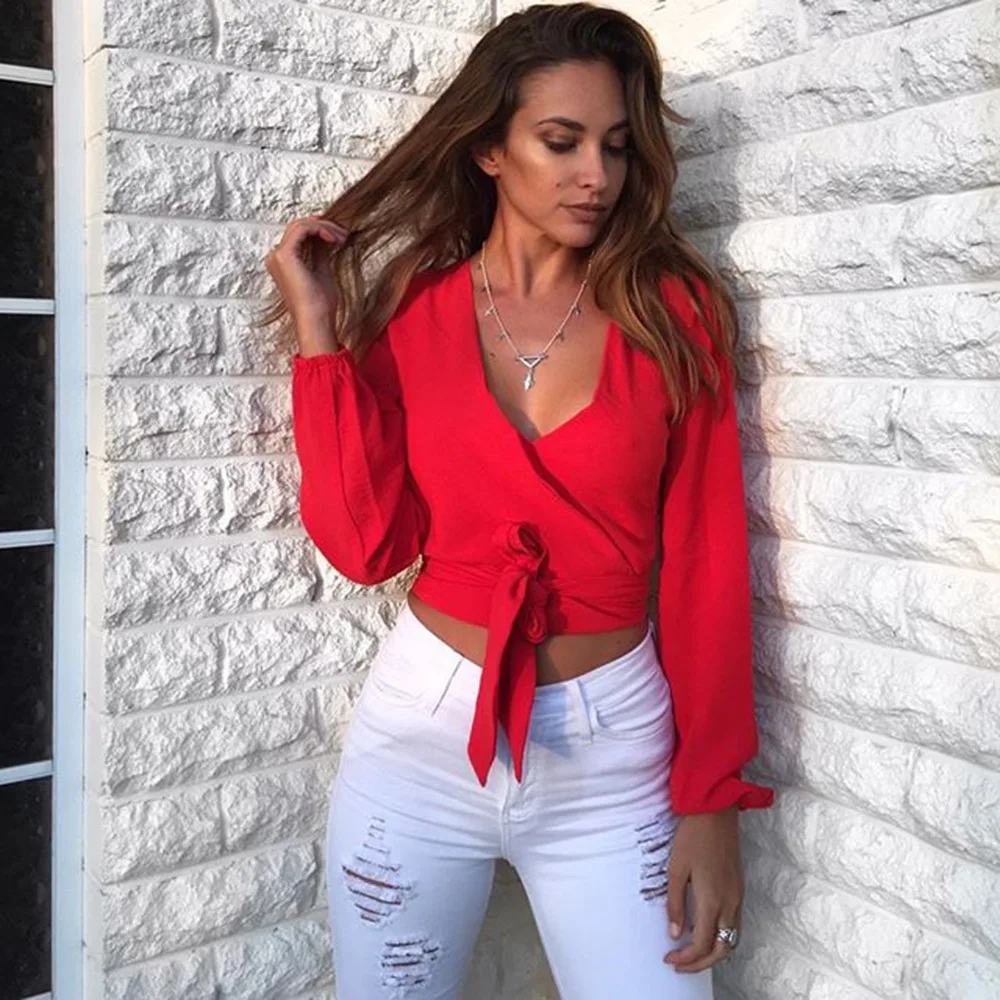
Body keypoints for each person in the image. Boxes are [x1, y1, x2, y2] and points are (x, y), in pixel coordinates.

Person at [258, 3, 774, 996]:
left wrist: (710, 797)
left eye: (616, 146)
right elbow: (368, 545)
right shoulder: (416, 304)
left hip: (613, 758)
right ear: (490, 149)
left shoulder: (673, 312)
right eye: (561, 141)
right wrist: (319, 334)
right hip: (419, 741)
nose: (597, 175)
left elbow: (708, 564)